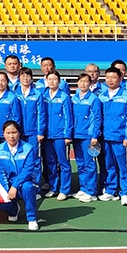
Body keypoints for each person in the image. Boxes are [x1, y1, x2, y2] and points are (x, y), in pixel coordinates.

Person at [97, 67, 127, 206]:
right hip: (106, 137)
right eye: (108, 77)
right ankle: (110, 190)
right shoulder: (101, 97)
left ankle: (125, 193)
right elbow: (98, 118)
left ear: (120, 78)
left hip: (121, 138)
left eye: (113, 77)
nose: (110, 80)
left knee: (124, 167)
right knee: (109, 165)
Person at [0, 120, 40, 231]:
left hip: (24, 182)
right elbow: (0, 172)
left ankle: (32, 219)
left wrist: (14, 186)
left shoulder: (28, 148)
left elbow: (27, 171)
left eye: (14, 132)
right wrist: (6, 190)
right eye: (8, 133)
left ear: (19, 133)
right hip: (8, 183)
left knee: (28, 188)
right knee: (0, 202)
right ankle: (14, 210)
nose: (11, 136)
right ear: (3, 134)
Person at [42, 71, 73, 200]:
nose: (52, 81)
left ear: (59, 81)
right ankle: (53, 187)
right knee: (50, 162)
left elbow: (68, 117)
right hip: (47, 135)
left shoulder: (64, 97)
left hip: (60, 135)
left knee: (63, 163)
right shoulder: (44, 96)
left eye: (54, 79)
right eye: (49, 79)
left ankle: (65, 189)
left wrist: (67, 134)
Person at [70, 73, 101, 203]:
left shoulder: (94, 99)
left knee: (89, 164)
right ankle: (83, 188)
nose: (83, 84)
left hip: (88, 136)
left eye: (86, 81)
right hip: (76, 135)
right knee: (80, 164)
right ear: (77, 83)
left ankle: (91, 191)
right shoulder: (74, 98)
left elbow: (97, 118)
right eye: (81, 81)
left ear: (90, 83)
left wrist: (94, 135)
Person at [0, 73, 22, 148]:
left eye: (3, 80)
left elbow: (16, 117)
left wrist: (13, 131)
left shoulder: (12, 97)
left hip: (8, 133)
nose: (0, 83)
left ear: (7, 82)